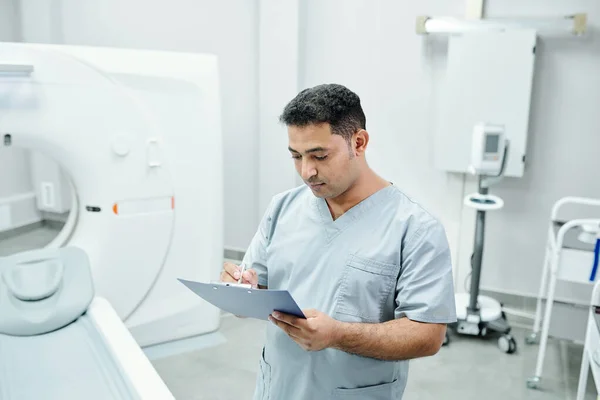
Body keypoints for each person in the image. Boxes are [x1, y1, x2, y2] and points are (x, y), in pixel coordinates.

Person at [221, 83, 457, 399]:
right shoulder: (283, 208)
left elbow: (428, 335)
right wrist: (241, 291)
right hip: (278, 386)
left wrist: (337, 335)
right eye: (296, 156)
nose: (307, 171)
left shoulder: (414, 229)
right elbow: (259, 288)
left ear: (358, 142)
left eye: (320, 155)